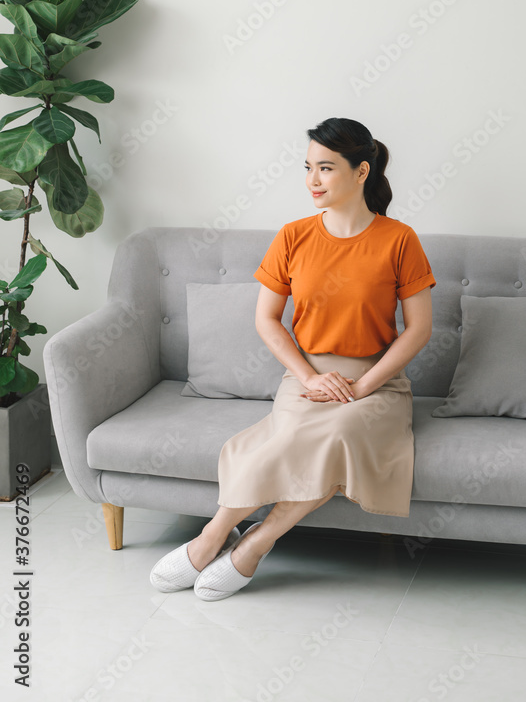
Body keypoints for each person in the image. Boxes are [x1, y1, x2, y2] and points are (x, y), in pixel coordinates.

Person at [150, 117, 436, 600]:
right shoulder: (293, 236)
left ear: (361, 172)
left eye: (325, 168)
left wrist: (363, 388)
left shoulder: (399, 239)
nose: (313, 181)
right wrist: (310, 376)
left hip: (377, 382)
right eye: (308, 168)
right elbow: (268, 320)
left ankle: (255, 543)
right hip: (306, 377)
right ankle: (215, 534)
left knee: (340, 434)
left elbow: (420, 329)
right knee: (286, 436)